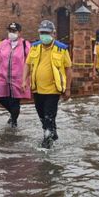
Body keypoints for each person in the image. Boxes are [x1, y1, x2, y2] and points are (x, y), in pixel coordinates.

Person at [23, 20, 72, 148]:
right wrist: (24, 80)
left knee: (48, 116)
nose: (44, 35)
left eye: (47, 33)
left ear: (53, 34)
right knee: (42, 116)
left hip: (53, 90)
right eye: (42, 33)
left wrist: (68, 89)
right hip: (37, 89)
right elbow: (27, 64)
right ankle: (53, 133)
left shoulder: (61, 49)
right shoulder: (35, 47)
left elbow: (68, 68)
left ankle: (47, 144)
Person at [0, 22, 30, 128]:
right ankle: (13, 115)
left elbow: (31, 60)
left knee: (14, 101)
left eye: (14, 31)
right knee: (2, 99)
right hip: (4, 78)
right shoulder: (3, 44)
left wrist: (27, 78)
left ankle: (13, 123)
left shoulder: (25, 45)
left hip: (18, 79)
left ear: (19, 33)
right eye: (10, 31)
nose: (11, 33)